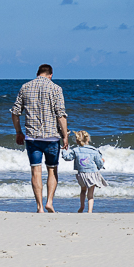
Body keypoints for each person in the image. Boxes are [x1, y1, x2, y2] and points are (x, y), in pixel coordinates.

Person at [11, 64, 69, 213]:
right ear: (51, 74)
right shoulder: (56, 88)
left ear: (38, 73)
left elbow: (15, 112)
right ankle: (49, 201)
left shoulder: (25, 87)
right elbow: (60, 115)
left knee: (36, 171)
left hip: (32, 137)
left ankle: (40, 207)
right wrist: (65, 136)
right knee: (52, 170)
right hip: (52, 138)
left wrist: (19, 132)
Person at [64, 130, 106, 213]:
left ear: (77, 141)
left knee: (83, 191)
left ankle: (82, 206)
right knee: (90, 194)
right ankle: (89, 211)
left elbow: (67, 158)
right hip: (93, 174)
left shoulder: (75, 150)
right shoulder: (94, 150)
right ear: (88, 139)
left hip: (82, 175)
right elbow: (99, 164)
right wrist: (102, 162)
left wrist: (64, 150)